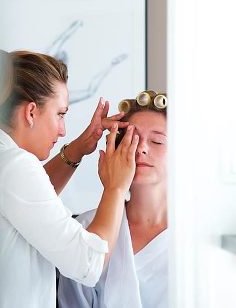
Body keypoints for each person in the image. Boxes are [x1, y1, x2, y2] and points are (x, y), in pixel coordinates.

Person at [0, 50, 139, 307]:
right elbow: (88, 264)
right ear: (31, 112)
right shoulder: (14, 166)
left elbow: (27, 205)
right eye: (60, 114)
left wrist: (78, 148)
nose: (63, 130)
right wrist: (115, 187)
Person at [57, 90, 168, 308]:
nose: (141, 148)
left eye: (157, 141)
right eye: (131, 140)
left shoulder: (197, 235)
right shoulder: (85, 229)